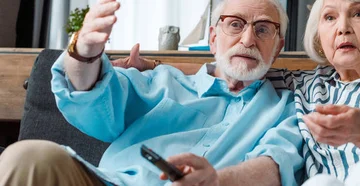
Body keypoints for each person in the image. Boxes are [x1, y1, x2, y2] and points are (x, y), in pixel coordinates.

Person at [115, 0, 360, 185]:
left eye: (358, 13)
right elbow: (238, 68)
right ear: (320, 41)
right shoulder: (308, 87)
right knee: (319, 184)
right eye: (329, 17)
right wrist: (156, 67)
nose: (343, 27)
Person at [0, 0, 304, 186]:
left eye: (263, 29)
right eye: (235, 24)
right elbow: (93, 98)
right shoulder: (161, 81)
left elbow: (275, 165)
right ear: (213, 39)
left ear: (277, 47)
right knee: (27, 157)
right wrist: (85, 54)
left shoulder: (286, 110)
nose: (248, 39)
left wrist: (215, 181)